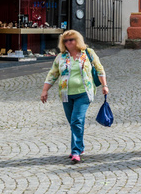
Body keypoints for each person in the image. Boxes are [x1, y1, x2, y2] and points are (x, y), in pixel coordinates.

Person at [40, 30, 108, 163]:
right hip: (66, 94)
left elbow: (99, 69)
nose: (68, 42)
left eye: (71, 39)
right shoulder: (61, 57)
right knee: (74, 122)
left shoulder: (88, 53)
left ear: (78, 40)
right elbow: (53, 74)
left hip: (84, 93)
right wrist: (45, 91)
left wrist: (105, 85)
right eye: (65, 41)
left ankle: (75, 151)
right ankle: (80, 146)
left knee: (76, 120)